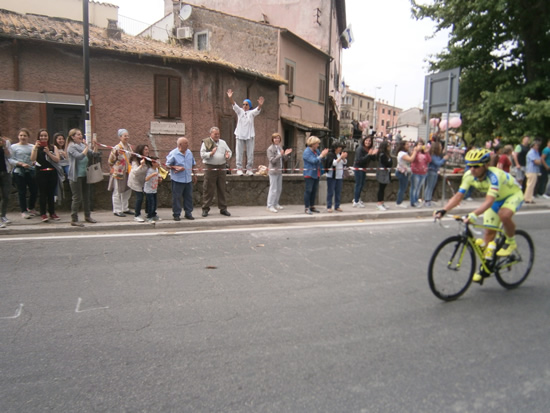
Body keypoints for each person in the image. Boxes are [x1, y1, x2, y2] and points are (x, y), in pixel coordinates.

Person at [434, 148, 524, 283]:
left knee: (504, 215)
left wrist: (474, 215)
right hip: (496, 200)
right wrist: (443, 210)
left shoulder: (495, 176)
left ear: (486, 165)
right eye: (469, 165)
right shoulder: (469, 175)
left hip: (512, 194)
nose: (472, 169)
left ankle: (510, 243)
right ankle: (486, 267)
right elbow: (458, 196)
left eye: (476, 166)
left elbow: (489, 201)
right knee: (488, 233)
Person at [227, 89, 264, 176]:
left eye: (246, 104)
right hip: (239, 135)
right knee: (239, 153)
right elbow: (233, 104)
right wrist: (230, 97)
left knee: (250, 153)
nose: (244, 106)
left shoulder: (251, 113)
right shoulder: (239, 111)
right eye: (243, 104)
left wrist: (260, 105)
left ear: (249, 106)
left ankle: (249, 169)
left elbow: (257, 109)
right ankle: (239, 169)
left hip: (250, 135)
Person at [66, 128, 98, 227]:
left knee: (86, 196)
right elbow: (79, 156)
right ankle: (74, 219)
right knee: (77, 198)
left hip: (85, 174)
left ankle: (87, 216)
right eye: (78, 135)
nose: (81, 136)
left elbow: (93, 154)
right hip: (76, 176)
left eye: (81, 134)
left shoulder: (82, 145)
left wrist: (94, 145)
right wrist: (87, 147)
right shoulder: (71, 147)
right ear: (72, 137)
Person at [200, 127, 232, 217]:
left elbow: (229, 151)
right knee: (208, 189)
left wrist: (228, 155)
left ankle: (223, 208)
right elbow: (202, 155)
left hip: (221, 167)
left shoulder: (223, 142)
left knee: (222, 188)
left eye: (218, 134)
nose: (217, 135)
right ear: (211, 134)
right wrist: (210, 153)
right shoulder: (206, 142)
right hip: (210, 167)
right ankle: (205, 208)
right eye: (215, 134)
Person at [30, 129, 60, 222]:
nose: (43, 138)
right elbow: (32, 159)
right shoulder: (36, 147)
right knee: (42, 194)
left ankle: (52, 212)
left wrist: (48, 152)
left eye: (45, 136)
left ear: (48, 137)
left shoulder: (53, 147)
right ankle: (43, 213)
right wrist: (35, 147)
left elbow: (57, 159)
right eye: (41, 136)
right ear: (38, 137)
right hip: (41, 172)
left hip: (52, 172)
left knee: (51, 194)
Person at [9, 128, 38, 219]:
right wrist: (20, 163)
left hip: (31, 170)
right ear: (18, 136)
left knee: (34, 190)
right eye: (21, 135)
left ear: (28, 137)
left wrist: (34, 162)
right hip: (19, 171)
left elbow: (35, 157)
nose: (23, 137)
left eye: (25, 135)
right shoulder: (13, 147)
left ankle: (31, 207)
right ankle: (23, 210)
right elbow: (10, 159)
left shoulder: (32, 146)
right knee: (22, 191)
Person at [166, 137, 197, 221]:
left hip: (188, 179)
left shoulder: (189, 152)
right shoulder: (173, 153)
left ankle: (188, 213)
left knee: (188, 197)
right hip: (177, 180)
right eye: (186, 143)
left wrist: (194, 174)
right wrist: (176, 167)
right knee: (177, 197)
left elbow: (193, 164)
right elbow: (167, 165)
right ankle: (176, 214)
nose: (188, 145)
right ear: (180, 145)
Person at [108, 128, 133, 217]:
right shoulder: (117, 148)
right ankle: (117, 209)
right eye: (124, 136)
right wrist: (114, 167)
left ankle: (125, 208)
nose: (126, 137)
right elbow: (111, 160)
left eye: (127, 136)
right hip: (119, 172)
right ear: (120, 137)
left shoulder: (129, 147)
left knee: (127, 190)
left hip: (128, 172)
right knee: (117, 191)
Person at [266, 132, 292, 213]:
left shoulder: (280, 148)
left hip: (279, 171)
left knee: (279, 188)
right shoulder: (270, 149)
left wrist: (286, 155)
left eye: (278, 138)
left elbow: (284, 159)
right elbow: (272, 160)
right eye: (275, 138)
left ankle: (276, 203)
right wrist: (280, 155)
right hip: (273, 171)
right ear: (272, 140)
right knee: (273, 189)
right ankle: (270, 205)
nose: (277, 139)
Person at [302, 136, 329, 214]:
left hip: (316, 173)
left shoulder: (316, 151)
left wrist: (324, 155)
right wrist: (321, 156)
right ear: (312, 144)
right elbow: (313, 161)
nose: (318, 145)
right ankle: (307, 208)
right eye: (317, 143)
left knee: (314, 191)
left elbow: (321, 159)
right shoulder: (307, 152)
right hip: (309, 174)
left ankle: (312, 206)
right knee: (308, 191)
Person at [127, 144, 151, 222]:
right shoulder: (135, 160)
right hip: (135, 181)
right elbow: (135, 172)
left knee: (148, 196)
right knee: (139, 197)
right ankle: (137, 215)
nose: (147, 151)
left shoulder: (148, 159)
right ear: (141, 151)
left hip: (143, 181)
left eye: (148, 149)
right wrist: (141, 165)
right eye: (145, 150)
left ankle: (149, 213)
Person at [352, 136, 378, 208]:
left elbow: (373, 159)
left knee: (362, 184)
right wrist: (368, 155)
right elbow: (359, 160)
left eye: (369, 141)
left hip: (363, 168)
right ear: (364, 140)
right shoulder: (360, 149)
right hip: (358, 168)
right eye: (367, 140)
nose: (368, 142)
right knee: (358, 184)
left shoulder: (368, 149)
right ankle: (356, 201)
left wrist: (373, 154)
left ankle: (357, 198)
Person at [424, 141, 449, 207]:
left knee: (432, 186)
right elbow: (438, 163)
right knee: (429, 186)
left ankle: (429, 199)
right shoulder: (432, 156)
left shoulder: (437, 155)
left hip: (435, 171)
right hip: (431, 171)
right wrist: (443, 159)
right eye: (440, 146)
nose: (441, 148)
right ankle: (427, 200)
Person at [394, 140, 418, 208]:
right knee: (402, 188)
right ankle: (399, 202)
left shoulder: (405, 152)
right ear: (403, 145)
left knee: (404, 187)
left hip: (405, 172)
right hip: (401, 172)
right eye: (407, 144)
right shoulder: (401, 153)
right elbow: (411, 159)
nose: (408, 146)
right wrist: (415, 151)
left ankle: (400, 201)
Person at [325, 142, 348, 212]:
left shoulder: (339, 154)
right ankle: (329, 206)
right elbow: (334, 163)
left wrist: (343, 158)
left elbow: (345, 162)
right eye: (339, 147)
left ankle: (337, 206)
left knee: (338, 192)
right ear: (335, 148)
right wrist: (340, 157)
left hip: (339, 176)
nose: (340, 149)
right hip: (331, 176)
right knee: (330, 192)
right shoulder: (330, 154)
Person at [409, 139, 431, 208]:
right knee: (414, 187)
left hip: (423, 172)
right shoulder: (414, 152)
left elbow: (429, 160)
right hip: (416, 172)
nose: (421, 146)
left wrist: (427, 152)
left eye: (422, 144)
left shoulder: (424, 153)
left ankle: (416, 200)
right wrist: (415, 151)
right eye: (419, 144)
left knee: (418, 188)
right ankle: (413, 201)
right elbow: (412, 159)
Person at [375, 140, 393, 211]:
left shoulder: (387, 154)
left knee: (383, 188)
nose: (390, 147)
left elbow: (391, 163)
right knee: (381, 188)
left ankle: (382, 202)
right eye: (388, 146)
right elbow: (387, 163)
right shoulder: (382, 154)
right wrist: (390, 162)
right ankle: (379, 203)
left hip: (386, 173)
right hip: (382, 173)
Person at [144, 156, 161, 223]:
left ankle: (154, 214)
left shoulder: (157, 170)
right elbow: (146, 179)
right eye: (157, 162)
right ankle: (149, 216)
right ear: (153, 163)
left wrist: (160, 179)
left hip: (154, 189)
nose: (159, 163)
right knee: (151, 203)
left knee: (154, 203)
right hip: (149, 190)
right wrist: (152, 174)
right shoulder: (150, 170)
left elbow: (158, 176)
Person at [0, 134, 12, 226]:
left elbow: (9, 156)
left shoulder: (6, 142)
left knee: (6, 195)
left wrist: (4, 146)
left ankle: (3, 215)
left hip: (5, 172)